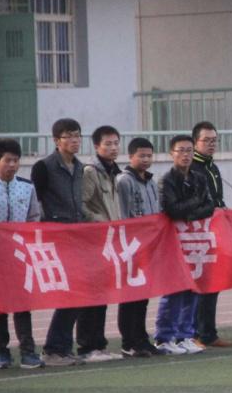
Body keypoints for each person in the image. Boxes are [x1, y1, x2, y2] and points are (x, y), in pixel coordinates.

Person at [30, 118, 86, 366]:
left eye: (77, 135)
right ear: (56, 140)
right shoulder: (44, 167)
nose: (74, 140)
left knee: (78, 293)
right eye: (68, 136)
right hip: (56, 238)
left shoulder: (81, 167)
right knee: (69, 293)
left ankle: (61, 347)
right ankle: (53, 349)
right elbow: (35, 201)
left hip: (78, 237)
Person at [155, 135, 216, 354]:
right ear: (171, 153)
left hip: (195, 240)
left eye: (189, 150)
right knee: (174, 289)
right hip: (174, 241)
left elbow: (210, 206)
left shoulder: (199, 178)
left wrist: (190, 212)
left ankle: (185, 335)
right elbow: (173, 210)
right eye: (181, 150)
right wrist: (195, 204)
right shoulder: (167, 180)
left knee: (193, 287)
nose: (186, 155)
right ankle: (164, 337)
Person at [75, 125, 125, 362]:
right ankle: (87, 347)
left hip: (109, 241)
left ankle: (99, 344)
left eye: (116, 143)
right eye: (108, 144)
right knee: (91, 295)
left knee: (103, 294)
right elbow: (82, 205)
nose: (113, 147)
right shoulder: (90, 172)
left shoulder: (113, 171)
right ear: (96, 146)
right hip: (93, 240)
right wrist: (102, 222)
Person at [0, 139, 45, 369]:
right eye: (8, 160)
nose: (12, 165)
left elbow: (34, 217)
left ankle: (28, 351)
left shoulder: (27, 187)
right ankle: (1, 352)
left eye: (16, 161)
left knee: (22, 305)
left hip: (19, 256)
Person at [115, 137, 162, 358]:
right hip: (131, 245)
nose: (145, 159)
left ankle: (141, 338)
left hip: (148, 245)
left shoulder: (151, 182)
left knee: (143, 295)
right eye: (141, 155)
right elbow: (122, 214)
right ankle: (129, 341)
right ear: (131, 156)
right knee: (130, 295)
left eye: (149, 155)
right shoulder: (124, 181)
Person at [190, 122, 230, 348]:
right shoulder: (193, 168)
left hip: (214, 232)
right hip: (198, 235)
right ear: (195, 142)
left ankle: (208, 332)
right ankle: (196, 332)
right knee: (199, 284)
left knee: (214, 282)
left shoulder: (212, 167)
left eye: (214, 140)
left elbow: (217, 199)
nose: (211, 144)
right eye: (206, 140)